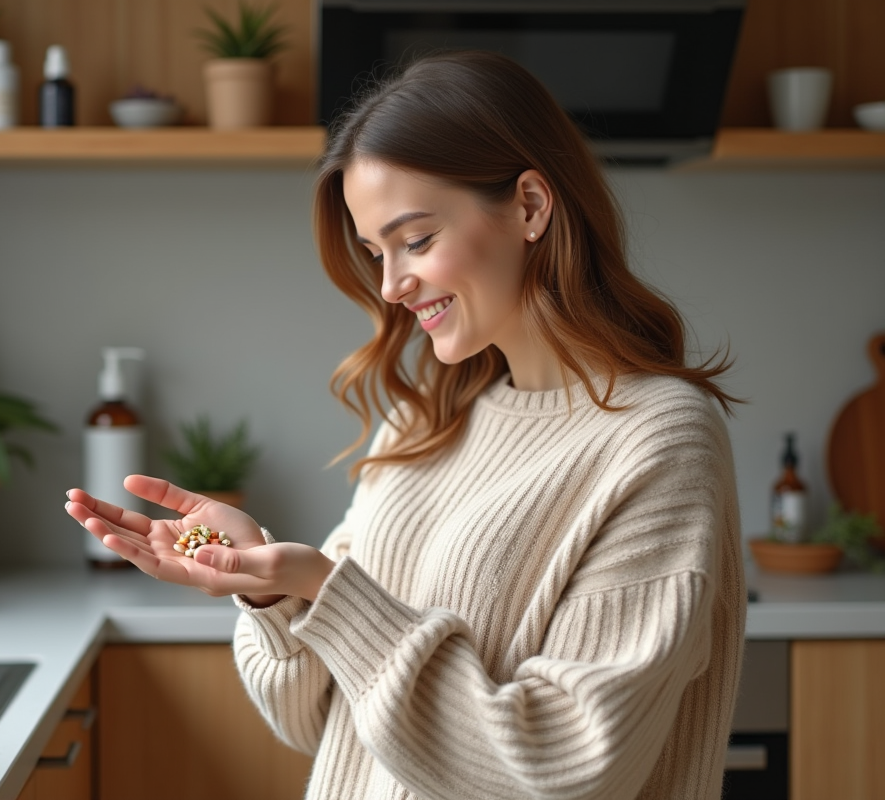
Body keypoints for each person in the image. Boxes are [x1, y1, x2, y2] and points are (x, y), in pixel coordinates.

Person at [66, 50, 745, 800]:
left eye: (416, 240)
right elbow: (316, 718)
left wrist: (326, 589)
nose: (391, 287)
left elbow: (564, 764)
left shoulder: (656, 440)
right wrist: (269, 586)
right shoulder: (425, 422)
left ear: (528, 206)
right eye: (375, 253)